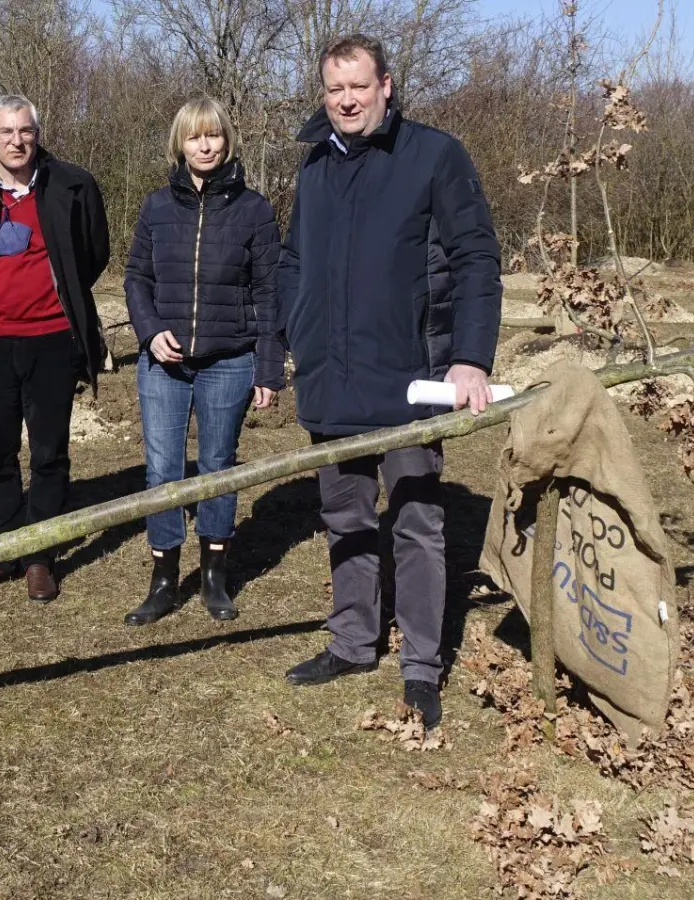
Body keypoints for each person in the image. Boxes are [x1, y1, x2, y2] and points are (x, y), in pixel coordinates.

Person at [277, 35, 502, 729]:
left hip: (411, 380)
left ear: (387, 85)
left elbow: (476, 260)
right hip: (332, 378)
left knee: (415, 524)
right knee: (345, 515)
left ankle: (423, 666)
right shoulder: (315, 165)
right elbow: (294, 261)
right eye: (333, 89)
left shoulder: (435, 155)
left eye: (358, 86)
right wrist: (296, 330)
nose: (345, 100)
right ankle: (352, 640)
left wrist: (470, 358)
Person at [121, 96, 283, 627]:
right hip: (164, 364)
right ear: (180, 144)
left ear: (227, 140)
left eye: (213, 135)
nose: (205, 145)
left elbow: (268, 292)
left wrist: (267, 366)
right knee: (163, 471)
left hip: (229, 360)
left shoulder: (254, 209)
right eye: (194, 137)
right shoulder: (155, 207)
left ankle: (215, 575)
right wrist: (148, 332)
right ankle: (164, 577)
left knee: (218, 467)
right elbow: (136, 279)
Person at [0, 94, 110, 603]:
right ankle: (1, 551)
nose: (17, 141)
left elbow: (94, 253)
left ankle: (40, 554)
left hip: (53, 341)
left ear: (37, 134)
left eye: (26, 131)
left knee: (48, 453)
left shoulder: (74, 185)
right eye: (7, 132)